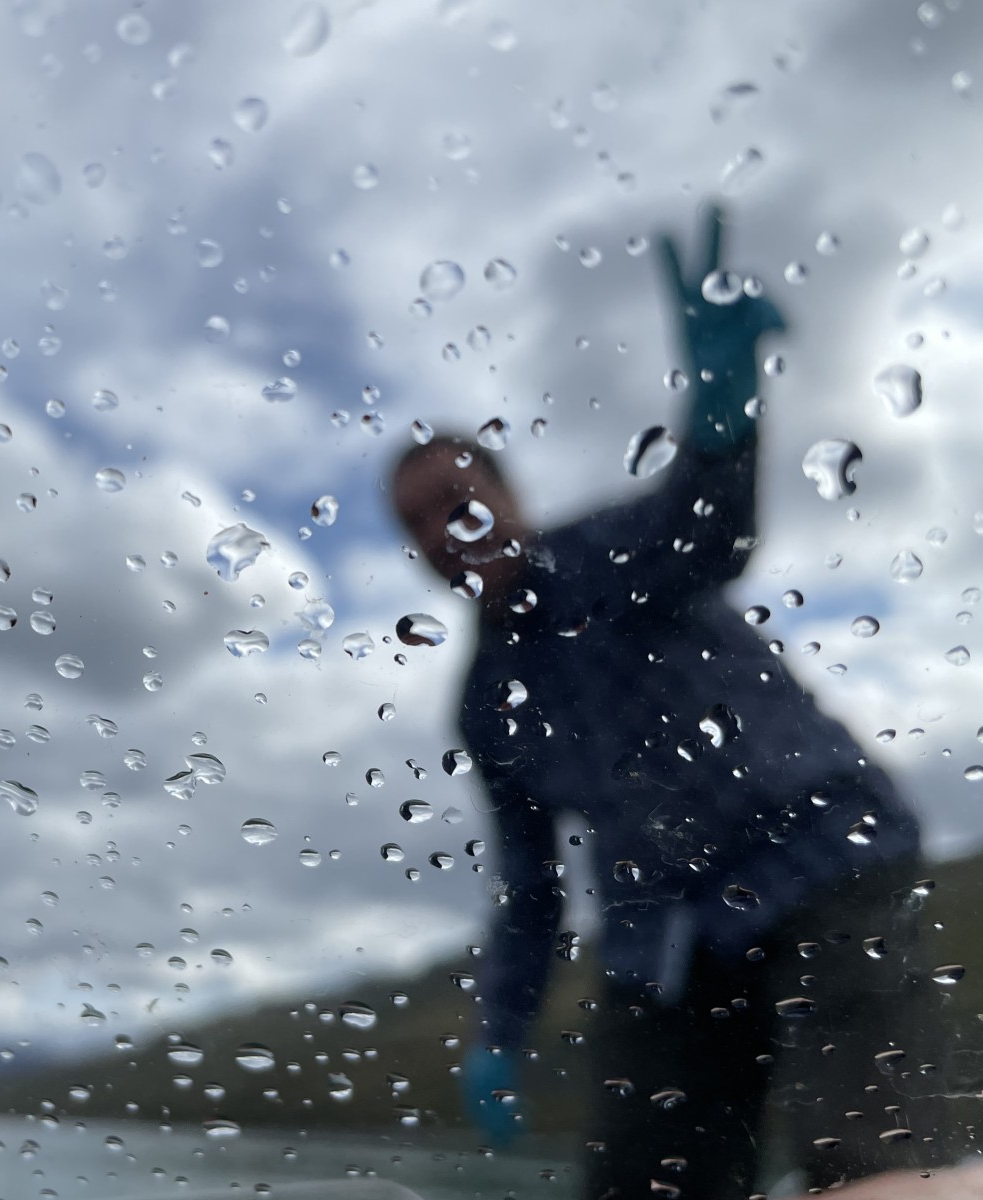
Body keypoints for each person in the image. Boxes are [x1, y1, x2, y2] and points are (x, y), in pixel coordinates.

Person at [392, 209, 951, 1199]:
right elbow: (530, 888)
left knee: (870, 1161)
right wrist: (499, 1034)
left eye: (456, 500)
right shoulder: (484, 708)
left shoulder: (609, 552)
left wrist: (722, 420)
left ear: (509, 496)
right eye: (419, 523)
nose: (445, 530)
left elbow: (711, 529)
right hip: (665, 939)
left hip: (824, 856)